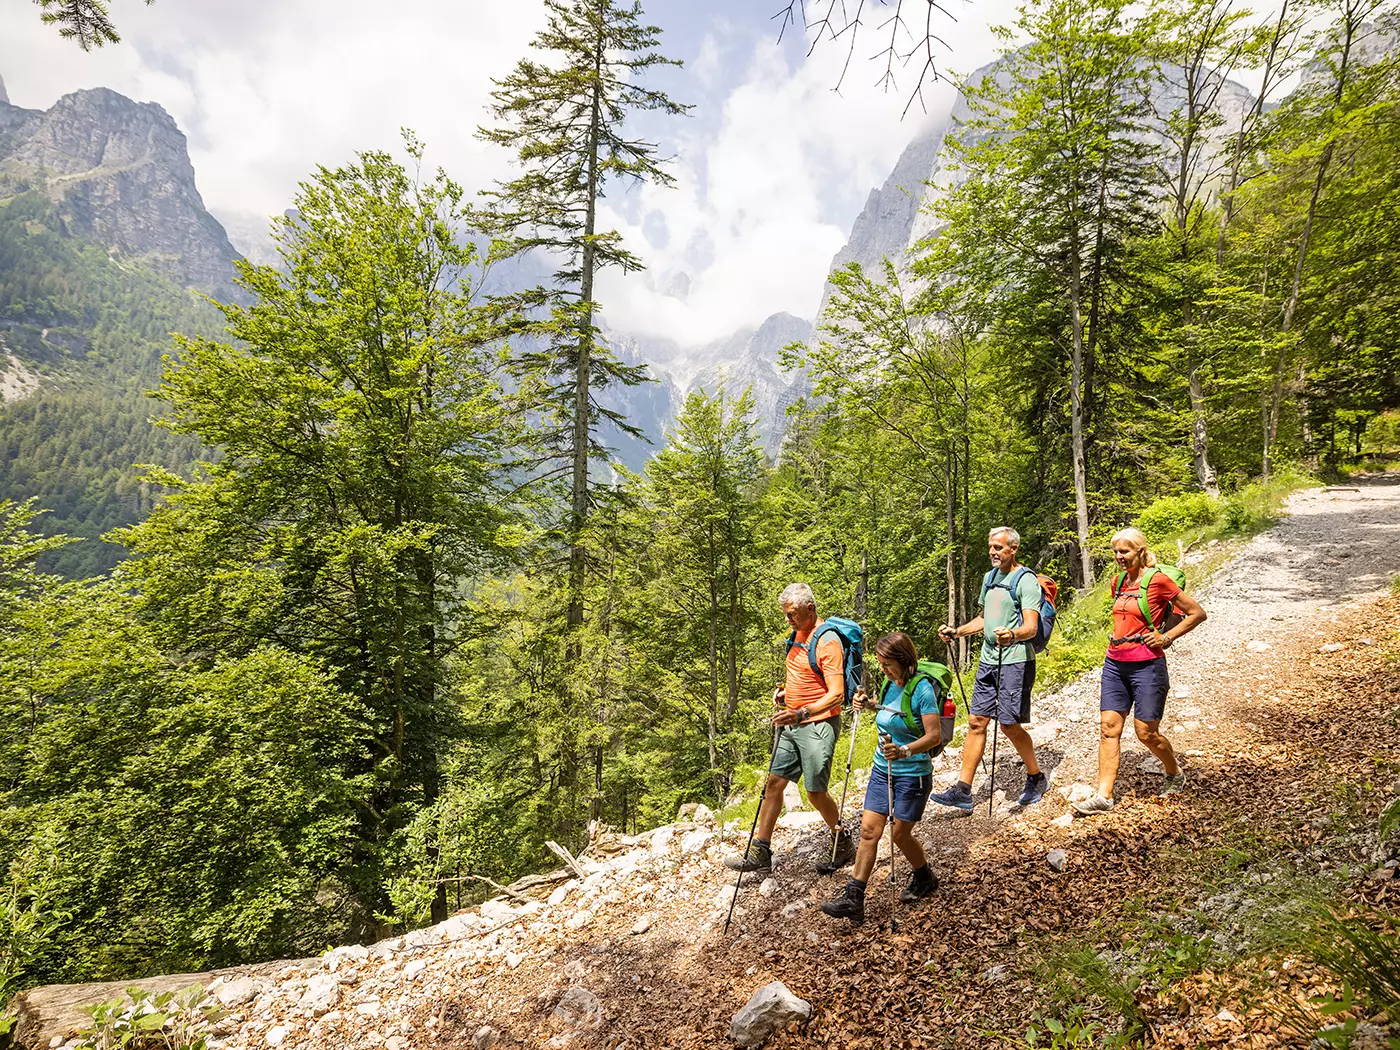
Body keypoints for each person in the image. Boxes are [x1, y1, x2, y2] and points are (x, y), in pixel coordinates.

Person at [1072, 528, 1207, 816]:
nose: (1119, 557)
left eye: (1125, 551)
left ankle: (1174, 773)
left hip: (1147, 664)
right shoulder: (1118, 582)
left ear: (1140, 551)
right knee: (1109, 729)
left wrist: (1166, 637)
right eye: (1116, 552)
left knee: (1146, 733)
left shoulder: (1157, 580)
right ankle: (1104, 796)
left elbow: (1197, 613)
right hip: (1115, 662)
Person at [724, 583, 856, 874]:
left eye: (793, 614)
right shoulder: (797, 634)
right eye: (786, 614)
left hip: (817, 724)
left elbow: (836, 694)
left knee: (815, 793)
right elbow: (804, 674)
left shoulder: (827, 641)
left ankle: (842, 842)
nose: (788, 620)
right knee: (774, 784)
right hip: (792, 721)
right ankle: (761, 851)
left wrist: (802, 712)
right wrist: (786, 693)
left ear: (810, 609)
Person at [820, 631, 941, 924]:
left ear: (903, 660)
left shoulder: (922, 690)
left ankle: (925, 876)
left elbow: (933, 735)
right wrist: (868, 705)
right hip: (881, 770)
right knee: (869, 832)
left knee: (899, 834)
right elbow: (890, 712)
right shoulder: (890, 684)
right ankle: (854, 897)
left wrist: (904, 750)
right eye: (881, 664)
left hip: (913, 774)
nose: (883, 670)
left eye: (887, 664)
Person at [932, 527, 1048, 810]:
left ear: (1013, 549)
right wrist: (957, 631)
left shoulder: (1026, 581)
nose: (993, 552)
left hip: (1015, 660)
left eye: (999, 547)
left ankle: (1036, 776)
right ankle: (963, 789)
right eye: (991, 547)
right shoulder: (989, 578)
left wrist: (1012, 634)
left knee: (1008, 724)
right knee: (976, 721)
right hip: (988, 660)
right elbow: (984, 619)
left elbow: (1031, 627)